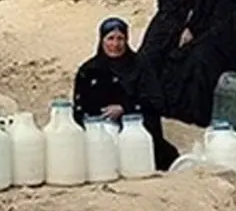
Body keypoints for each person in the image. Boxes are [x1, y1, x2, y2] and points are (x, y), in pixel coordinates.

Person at [73, 18, 179, 172]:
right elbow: (79, 109)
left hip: (137, 130)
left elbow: (157, 102)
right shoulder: (88, 70)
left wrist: (125, 107)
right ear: (101, 40)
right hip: (99, 135)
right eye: (110, 38)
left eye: (120, 38)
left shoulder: (140, 66)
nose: (115, 45)